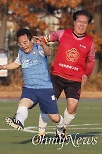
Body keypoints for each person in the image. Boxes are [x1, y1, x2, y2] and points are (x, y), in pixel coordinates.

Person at [0, 28, 65, 139]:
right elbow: (16, 64)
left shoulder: (39, 48)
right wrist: (2, 67)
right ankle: (19, 121)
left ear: (31, 40)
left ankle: (61, 130)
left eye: (25, 42)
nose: (23, 46)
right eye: (20, 44)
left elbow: (49, 53)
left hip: (45, 89)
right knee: (22, 105)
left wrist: (44, 45)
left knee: (55, 118)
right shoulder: (21, 52)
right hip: (29, 89)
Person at [35, 9, 95, 138]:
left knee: (72, 106)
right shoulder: (62, 33)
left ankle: (61, 131)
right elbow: (46, 39)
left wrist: (86, 74)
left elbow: (91, 61)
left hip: (75, 80)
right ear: (74, 22)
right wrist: (40, 43)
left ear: (87, 25)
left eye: (85, 23)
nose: (81, 24)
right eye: (79, 21)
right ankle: (41, 133)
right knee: (47, 104)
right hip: (56, 76)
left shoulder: (90, 41)